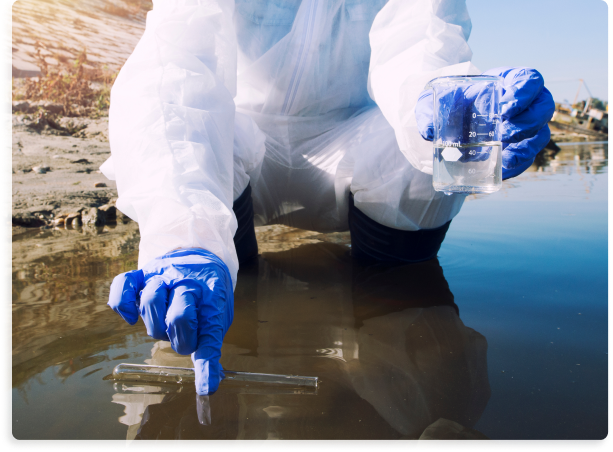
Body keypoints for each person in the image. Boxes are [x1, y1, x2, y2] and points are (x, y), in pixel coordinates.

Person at [103, 0, 554, 395]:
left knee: (427, 163)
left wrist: (446, 107)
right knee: (188, 142)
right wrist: (182, 233)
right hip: (242, 139)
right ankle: (210, 265)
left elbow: (420, 41)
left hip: (356, 139)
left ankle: (395, 324)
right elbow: (178, 63)